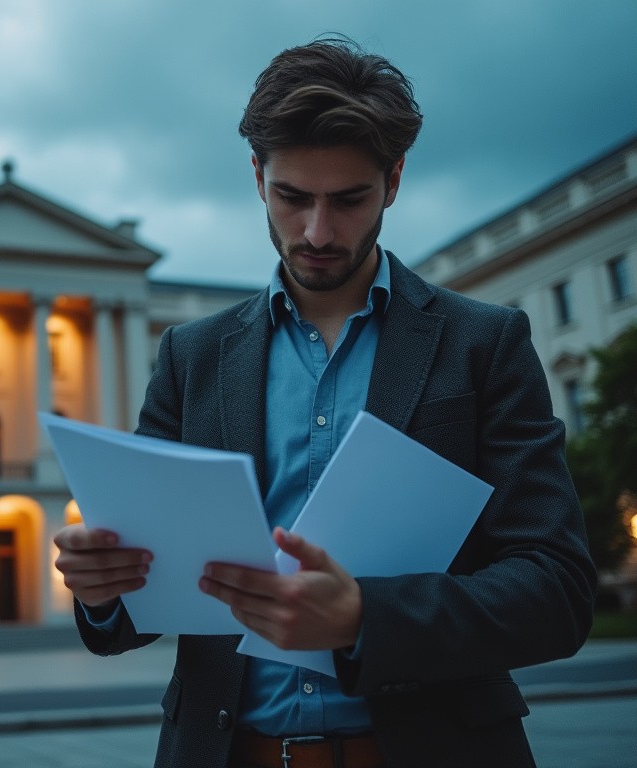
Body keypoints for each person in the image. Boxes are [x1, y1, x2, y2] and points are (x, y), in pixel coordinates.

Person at [53, 37, 596, 768]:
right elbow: (136, 611)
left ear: (394, 179)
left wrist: (366, 618)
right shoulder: (192, 354)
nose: (316, 231)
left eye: (348, 200)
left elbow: (557, 590)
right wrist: (102, 591)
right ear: (256, 177)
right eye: (292, 197)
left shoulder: (484, 343)